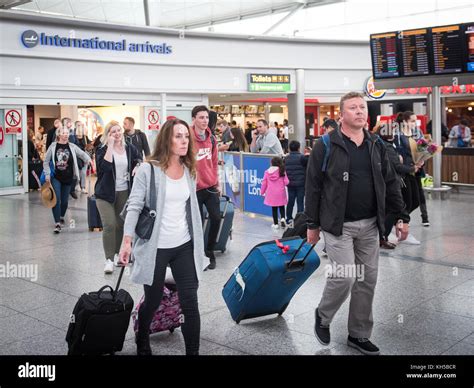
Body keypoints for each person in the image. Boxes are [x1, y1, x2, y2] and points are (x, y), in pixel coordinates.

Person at [305, 91, 408, 356]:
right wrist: (312, 225)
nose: (360, 111)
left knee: (367, 280)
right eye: (353, 108)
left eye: (363, 107)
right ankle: (323, 315)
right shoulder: (325, 145)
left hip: (371, 225)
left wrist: (400, 216)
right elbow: (313, 187)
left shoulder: (376, 144)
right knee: (345, 276)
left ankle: (359, 335)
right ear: (342, 114)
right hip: (338, 226)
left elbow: (390, 182)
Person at [119, 118, 207, 356]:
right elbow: (135, 205)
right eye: (178, 136)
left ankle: (193, 352)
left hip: (184, 245)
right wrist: (127, 241)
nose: (183, 141)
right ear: (166, 139)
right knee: (153, 300)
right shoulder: (149, 169)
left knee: (190, 300)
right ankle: (142, 335)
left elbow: (191, 209)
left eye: (186, 137)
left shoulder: (189, 169)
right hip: (155, 246)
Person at [95, 120, 141, 274]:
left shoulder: (129, 148)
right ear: (108, 134)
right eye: (113, 131)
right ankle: (108, 259)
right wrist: (109, 146)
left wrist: (138, 165)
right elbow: (105, 168)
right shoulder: (101, 149)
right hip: (105, 193)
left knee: (121, 225)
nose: (117, 133)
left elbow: (138, 159)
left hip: (124, 191)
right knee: (109, 224)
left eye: (118, 130)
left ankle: (115, 255)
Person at [43, 127, 91, 234]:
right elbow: (45, 161)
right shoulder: (53, 146)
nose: (66, 135)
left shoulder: (72, 146)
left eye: (67, 133)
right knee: (57, 199)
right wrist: (47, 174)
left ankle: (61, 216)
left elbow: (82, 154)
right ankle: (57, 223)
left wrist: (89, 160)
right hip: (56, 177)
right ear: (59, 135)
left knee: (64, 202)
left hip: (69, 177)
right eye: (63, 133)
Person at [191, 105, 220, 270]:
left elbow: (214, 163)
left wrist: (218, 182)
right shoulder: (186, 137)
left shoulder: (212, 139)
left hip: (209, 186)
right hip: (193, 189)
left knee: (216, 218)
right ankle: (197, 253)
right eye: (201, 117)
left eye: (207, 118)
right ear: (194, 119)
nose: (205, 121)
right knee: (197, 222)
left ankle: (209, 251)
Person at [393, 111, 424, 243]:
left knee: (416, 201)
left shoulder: (417, 134)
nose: (414, 123)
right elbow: (398, 155)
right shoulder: (398, 136)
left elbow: (422, 149)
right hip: (405, 172)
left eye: (415, 120)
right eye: (412, 120)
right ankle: (402, 222)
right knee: (408, 201)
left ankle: (398, 219)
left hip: (416, 171)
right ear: (405, 121)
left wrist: (422, 159)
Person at [261, 156, 289, 232]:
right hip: (281, 192)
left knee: (274, 208)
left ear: (271, 163)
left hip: (271, 193)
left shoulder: (267, 172)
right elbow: (287, 182)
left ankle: (276, 224)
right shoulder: (282, 171)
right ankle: (283, 218)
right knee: (282, 206)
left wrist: (262, 192)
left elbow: (264, 183)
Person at [285, 140, 308, 227]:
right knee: (300, 202)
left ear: (289, 148)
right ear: (299, 148)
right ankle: (300, 220)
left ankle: (289, 219)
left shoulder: (286, 158)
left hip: (290, 184)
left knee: (290, 202)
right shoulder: (302, 158)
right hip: (301, 184)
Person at [75, 121, 91, 193]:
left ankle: (83, 187)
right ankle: (77, 184)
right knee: (77, 172)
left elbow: (89, 145)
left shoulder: (85, 137)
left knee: (83, 172)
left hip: (84, 156)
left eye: (81, 125)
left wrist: (89, 147)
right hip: (77, 157)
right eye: (78, 125)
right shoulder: (73, 136)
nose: (80, 127)